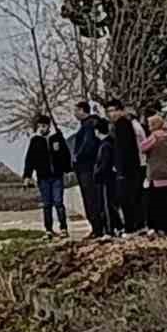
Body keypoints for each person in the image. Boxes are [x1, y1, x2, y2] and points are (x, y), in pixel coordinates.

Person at [23, 115, 71, 235]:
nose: (41, 128)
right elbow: (30, 160)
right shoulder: (35, 141)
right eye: (39, 126)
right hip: (43, 177)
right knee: (47, 204)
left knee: (58, 202)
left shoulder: (57, 138)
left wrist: (68, 170)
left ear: (49, 126)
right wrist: (27, 176)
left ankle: (63, 228)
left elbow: (65, 155)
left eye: (44, 126)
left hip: (57, 176)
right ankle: (48, 229)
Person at [107, 98, 144, 234]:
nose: (110, 114)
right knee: (130, 198)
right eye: (108, 112)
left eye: (112, 111)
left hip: (127, 169)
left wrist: (120, 169)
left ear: (120, 110)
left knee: (127, 199)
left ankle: (131, 227)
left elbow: (124, 149)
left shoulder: (122, 124)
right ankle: (136, 225)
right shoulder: (124, 124)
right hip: (130, 167)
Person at [140, 113, 167, 235]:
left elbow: (143, 147)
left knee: (156, 201)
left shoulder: (155, 137)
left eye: (149, 124)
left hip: (156, 172)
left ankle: (159, 227)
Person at [72, 100, 102, 237]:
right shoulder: (86, 125)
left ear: (82, 110)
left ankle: (97, 228)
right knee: (91, 198)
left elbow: (88, 145)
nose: (74, 114)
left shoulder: (88, 125)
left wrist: (77, 156)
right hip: (87, 167)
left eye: (76, 110)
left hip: (87, 168)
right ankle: (96, 227)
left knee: (91, 198)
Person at [92, 116, 123, 237]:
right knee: (111, 204)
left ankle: (110, 230)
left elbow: (104, 164)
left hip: (106, 179)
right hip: (112, 177)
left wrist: (97, 173)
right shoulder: (111, 142)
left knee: (107, 205)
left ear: (97, 131)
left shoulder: (104, 146)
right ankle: (118, 227)